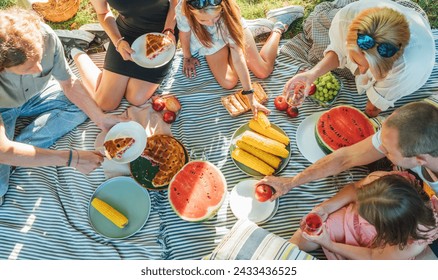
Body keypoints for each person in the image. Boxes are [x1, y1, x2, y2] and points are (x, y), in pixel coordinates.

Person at [0, 8, 125, 206]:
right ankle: (16, 154)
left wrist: (101, 119)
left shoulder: (46, 36)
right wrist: (72, 159)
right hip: (2, 108)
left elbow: (69, 84)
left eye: (40, 60)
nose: (39, 70)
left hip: (36, 95)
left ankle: (20, 152)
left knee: (83, 107)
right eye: (27, 69)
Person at [283, 0, 434, 117]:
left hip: (416, 58)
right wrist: (312, 74)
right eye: (356, 61)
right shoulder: (345, 19)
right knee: (316, 19)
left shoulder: (406, 67)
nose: (360, 71)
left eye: (370, 68)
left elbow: (373, 108)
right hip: (377, 13)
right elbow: (338, 51)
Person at [176, 0, 304, 117]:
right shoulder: (184, 9)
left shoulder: (230, 12)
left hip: (230, 28)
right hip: (210, 40)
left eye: (215, 17)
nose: (210, 23)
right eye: (203, 21)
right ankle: (248, 32)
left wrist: (250, 97)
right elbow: (185, 34)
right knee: (228, 82)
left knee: (263, 71)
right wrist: (187, 57)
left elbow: (238, 58)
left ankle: (279, 26)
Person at [57, 0, 179, 112]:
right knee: (105, 104)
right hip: (127, 32)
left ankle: (103, 39)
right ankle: (76, 50)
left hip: (164, 31)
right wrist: (117, 41)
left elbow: (176, 2)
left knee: (136, 98)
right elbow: (103, 12)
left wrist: (169, 29)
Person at [290, 172, 438, 260]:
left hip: (377, 254)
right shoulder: (387, 180)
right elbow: (354, 189)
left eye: (366, 215)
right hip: (350, 222)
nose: (357, 205)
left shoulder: (412, 243)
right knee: (305, 237)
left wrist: (330, 244)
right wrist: (325, 208)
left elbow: (372, 256)